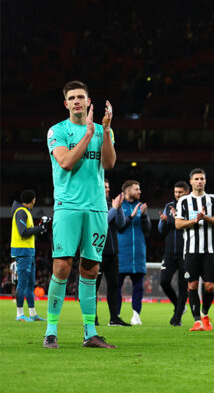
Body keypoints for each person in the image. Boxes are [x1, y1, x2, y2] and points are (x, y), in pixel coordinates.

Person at [44, 80, 116, 348]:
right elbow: (65, 161)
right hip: (68, 206)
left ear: (88, 101)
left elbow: (109, 163)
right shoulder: (57, 131)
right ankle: (51, 331)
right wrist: (86, 135)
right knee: (62, 266)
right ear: (66, 104)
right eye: (72, 98)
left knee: (91, 268)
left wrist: (105, 130)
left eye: (81, 97)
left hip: (97, 206)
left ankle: (90, 333)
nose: (77, 101)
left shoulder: (101, 130)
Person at [175, 168, 214, 332]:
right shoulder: (183, 201)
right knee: (193, 284)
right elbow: (178, 224)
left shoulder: (213, 199)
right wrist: (195, 221)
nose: (199, 181)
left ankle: (204, 313)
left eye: (202, 178)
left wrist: (205, 218)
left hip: (209, 250)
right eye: (196, 179)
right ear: (191, 182)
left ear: (205, 181)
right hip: (190, 250)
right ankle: (197, 321)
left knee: (210, 287)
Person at [11, 189, 49, 321]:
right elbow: (23, 232)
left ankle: (32, 314)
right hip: (22, 252)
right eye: (35, 199)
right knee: (22, 283)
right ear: (32, 200)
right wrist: (39, 229)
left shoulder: (26, 212)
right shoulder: (21, 212)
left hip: (28, 251)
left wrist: (40, 227)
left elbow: (28, 231)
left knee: (30, 283)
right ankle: (19, 314)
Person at [116, 180, 149, 325]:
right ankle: (115, 315)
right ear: (128, 191)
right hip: (121, 253)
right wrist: (131, 216)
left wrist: (143, 215)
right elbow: (119, 227)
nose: (140, 192)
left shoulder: (141, 207)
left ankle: (136, 315)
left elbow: (147, 229)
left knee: (138, 286)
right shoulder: (118, 206)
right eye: (137, 189)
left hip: (138, 253)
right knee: (116, 286)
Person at [97, 180, 129, 327]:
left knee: (114, 285)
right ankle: (92, 318)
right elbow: (102, 223)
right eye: (104, 187)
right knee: (93, 287)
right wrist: (114, 209)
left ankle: (114, 318)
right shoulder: (93, 204)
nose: (108, 189)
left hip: (112, 252)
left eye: (108, 187)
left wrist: (119, 208)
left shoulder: (111, 205)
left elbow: (121, 225)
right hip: (97, 253)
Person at [158, 181, 190, 326]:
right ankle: (179, 307)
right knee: (164, 281)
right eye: (176, 192)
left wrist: (172, 219)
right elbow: (161, 231)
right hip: (169, 251)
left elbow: (190, 224)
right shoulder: (168, 206)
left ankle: (177, 319)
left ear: (187, 192)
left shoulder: (191, 206)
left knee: (183, 285)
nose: (177, 195)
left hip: (186, 251)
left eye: (180, 192)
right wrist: (164, 221)